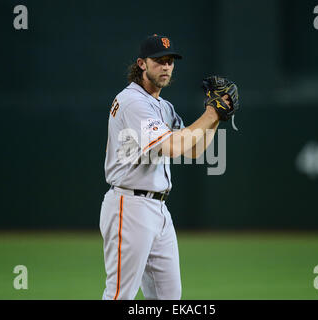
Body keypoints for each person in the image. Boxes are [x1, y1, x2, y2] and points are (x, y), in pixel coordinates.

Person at [99, 34, 232, 300]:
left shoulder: (163, 106)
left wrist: (216, 115)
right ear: (141, 64)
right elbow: (172, 147)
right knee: (120, 295)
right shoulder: (134, 102)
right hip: (130, 204)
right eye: (159, 61)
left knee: (168, 297)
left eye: (170, 61)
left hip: (158, 209)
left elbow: (194, 149)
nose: (166, 66)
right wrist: (211, 113)